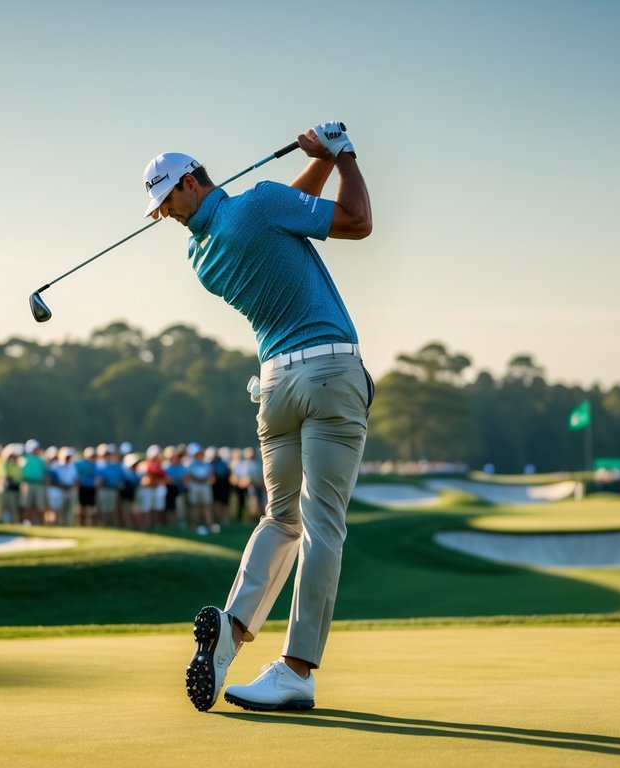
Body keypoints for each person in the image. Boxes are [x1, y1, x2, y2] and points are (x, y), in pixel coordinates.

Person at [143, 122, 373, 712]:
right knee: (324, 525)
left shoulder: (203, 255)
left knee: (280, 518)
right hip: (328, 374)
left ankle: (236, 624)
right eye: (163, 206)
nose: (167, 214)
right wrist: (343, 155)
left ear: (191, 184)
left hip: (274, 387)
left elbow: (282, 215)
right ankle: (296, 670)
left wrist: (314, 160)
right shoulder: (265, 203)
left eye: (167, 202)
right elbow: (355, 221)